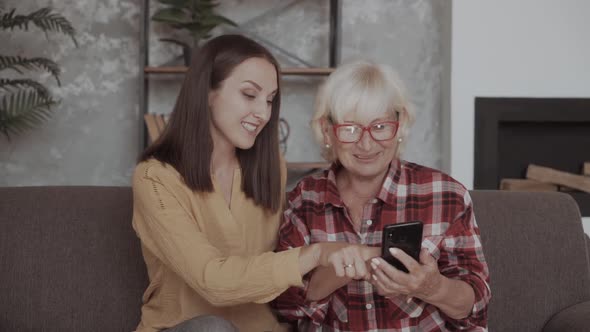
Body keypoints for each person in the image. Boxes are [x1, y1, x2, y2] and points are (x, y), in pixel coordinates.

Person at [131, 35, 379, 332]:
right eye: (250, 95)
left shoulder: (270, 168)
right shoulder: (155, 178)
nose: (263, 113)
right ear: (207, 92)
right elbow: (213, 282)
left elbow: (287, 276)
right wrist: (315, 253)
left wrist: (360, 256)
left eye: (270, 100)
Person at [272, 61, 491, 331]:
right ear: (328, 131)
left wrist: (431, 287)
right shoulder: (305, 198)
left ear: (399, 127)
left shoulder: (446, 195)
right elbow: (285, 305)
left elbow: (476, 304)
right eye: (350, 129)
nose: (366, 144)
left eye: (379, 127)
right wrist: (345, 262)